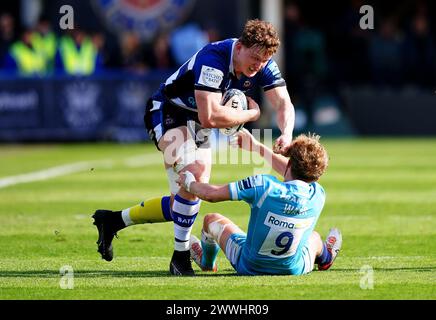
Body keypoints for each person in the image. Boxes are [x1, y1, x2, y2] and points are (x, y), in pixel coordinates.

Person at [92, 19, 296, 276]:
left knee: (187, 196)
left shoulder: (262, 62)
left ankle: (111, 221)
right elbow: (210, 116)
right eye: (255, 58)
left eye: (264, 61)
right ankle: (179, 258)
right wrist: (251, 114)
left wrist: (286, 134)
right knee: (195, 176)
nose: (258, 66)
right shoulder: (215, 58)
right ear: (240, 46)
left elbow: (284, 103)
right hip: (168, 111)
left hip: (197, 121)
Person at [178, 129, 342, 275]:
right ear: (317, 177)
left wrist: (189, 183)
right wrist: (258, 148)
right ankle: (326, 258)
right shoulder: (318, 195)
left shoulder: (264, 186)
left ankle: (206, 262)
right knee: (314, 238)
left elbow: (211, 194)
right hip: (294, 268)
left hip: (249, 266)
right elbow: (297, 172)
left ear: (290, 163)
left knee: (210, 220)